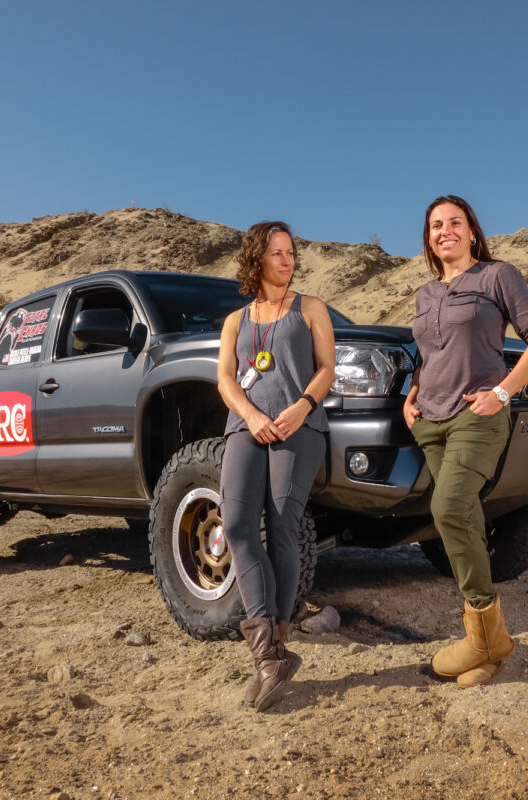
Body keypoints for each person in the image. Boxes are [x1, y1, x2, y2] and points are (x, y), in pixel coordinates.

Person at [403, 195, 528, 688]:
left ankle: (483, 637)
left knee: (448, 509)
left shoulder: (497, 276)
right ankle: (488, 652)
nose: (444, 231)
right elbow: (431, 353)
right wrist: (412, 394)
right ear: (428, 238)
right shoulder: (427, 293)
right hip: (431, 419)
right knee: (462, 514)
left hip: (477, 415)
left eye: (454, 223)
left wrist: (502, 393)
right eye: (435, 226)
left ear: (472, 230)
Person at [216, 221, 335, 711]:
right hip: (246, 428)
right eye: (277, 253)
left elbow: (327, 367)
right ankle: (269, 655)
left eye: (291, 253)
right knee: (238, 524)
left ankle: (276, 648)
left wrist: (301, 407)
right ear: (257, 260)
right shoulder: (236, 321)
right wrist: (251, 415)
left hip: (298, 427)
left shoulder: (311, 309)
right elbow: (226, 378)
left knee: (283, 525)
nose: (287, 261)